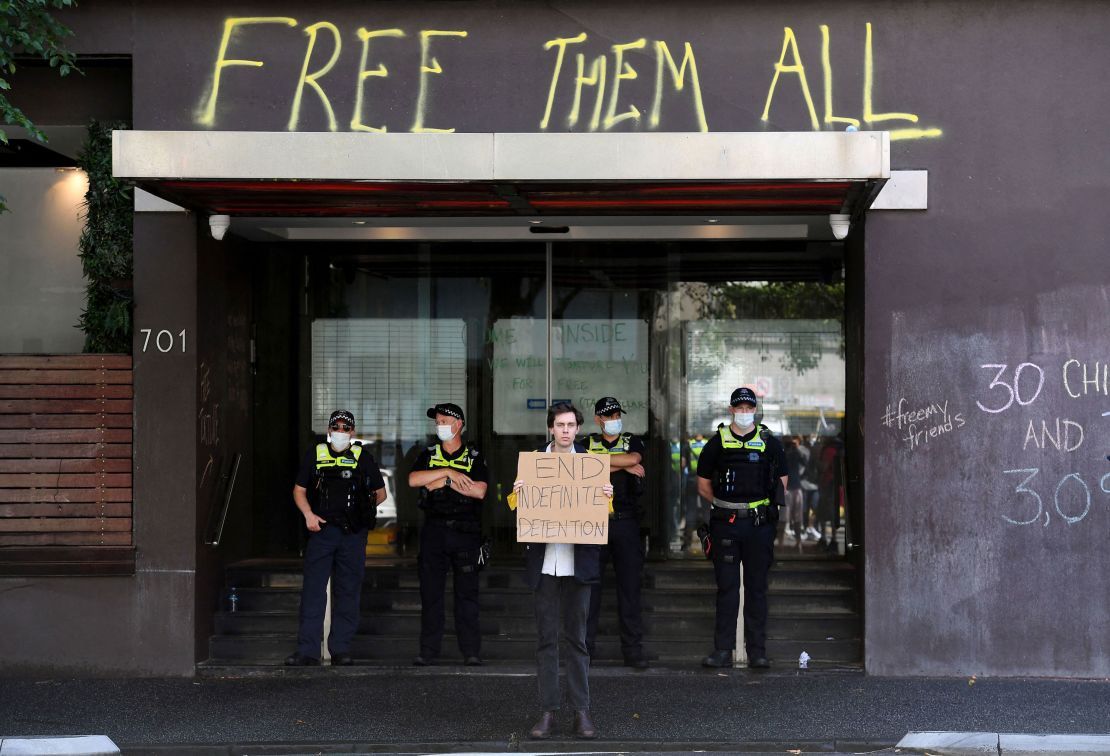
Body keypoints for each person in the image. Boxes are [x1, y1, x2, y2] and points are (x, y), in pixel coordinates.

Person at [510, 403, 612, 740]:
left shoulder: (591, 464)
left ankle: (582, 712)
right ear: (551, 428)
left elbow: (603, 514)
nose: (566, 430)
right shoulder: (534, 463)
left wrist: (607, 497)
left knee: (577, 640)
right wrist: (517, 495)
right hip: (545, 564)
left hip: (578, 564)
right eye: (560, 425)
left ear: (578, 429)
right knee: (545, 640)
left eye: (570, 425)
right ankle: (548, 711)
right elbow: (514, 507)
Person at [695, 388, 787, 669]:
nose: (745, 412)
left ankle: (757, 651)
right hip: (726, 525)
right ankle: (722, 651)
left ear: (755, 409)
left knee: (757, 588)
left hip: (759, 525)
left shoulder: (770, 442)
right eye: (740, 407)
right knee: (727, 588)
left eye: (749, 408)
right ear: (731, 409)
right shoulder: (717, 443)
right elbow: (703, 484)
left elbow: (782, 483)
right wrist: (726, 505)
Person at [285, 410, 386, 666]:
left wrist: (364, 508)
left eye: (346, 428)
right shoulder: (316, 454)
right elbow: (299, 490)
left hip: (352, 534)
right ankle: (308, 651)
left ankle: (341, 649)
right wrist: (308, 515)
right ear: (329, 430)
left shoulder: (362, 457)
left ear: (352, 431)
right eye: (336, 427)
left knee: (347, 591)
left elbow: (380, 493)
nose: (341, 432)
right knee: (313, 591)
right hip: (322, 531)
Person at [408, 403, 489, 666]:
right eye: (437, 421)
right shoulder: (428, 454)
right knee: (431, 594)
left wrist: (439, 482)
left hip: (465, 533)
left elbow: (479, 491)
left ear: (458, 424)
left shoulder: (475, 456)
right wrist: (448, 473)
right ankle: (428, 651)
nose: (439, 425)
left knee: (467, 595)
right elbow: (413, 480)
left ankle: (471, 652)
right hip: (434, 531)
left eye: (444, 420)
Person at [584, 397, 648, 669]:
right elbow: (583, 469)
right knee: (589, 590)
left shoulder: (633, 440)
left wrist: (605, 463)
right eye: (607, 416)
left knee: (630, 590)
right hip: (593, 522)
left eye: (616, 415)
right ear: (598, 419)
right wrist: (620, 464)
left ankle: (632, 652)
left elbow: (634, 458)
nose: (613, 419)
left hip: (626, 523)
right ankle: (584, 651)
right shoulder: (586, 442)